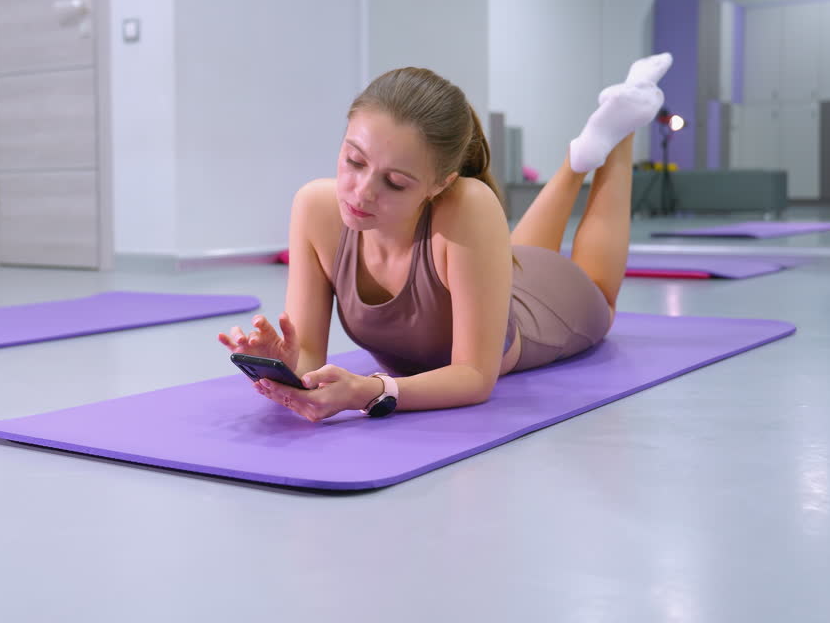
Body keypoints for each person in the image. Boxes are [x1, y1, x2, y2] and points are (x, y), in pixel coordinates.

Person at [219, 53, 674, 422]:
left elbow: (476, 376)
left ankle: (622, 130)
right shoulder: (315, 208)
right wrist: (282, 362)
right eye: (354, 161)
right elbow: (311, 360)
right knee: (521, 254)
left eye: (395, 182)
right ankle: (580, 156)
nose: (361, 192)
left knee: (600, 297)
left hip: (549, 309)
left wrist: (374, 390)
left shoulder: (468, 204)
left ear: (441, 183)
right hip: (500, 271)